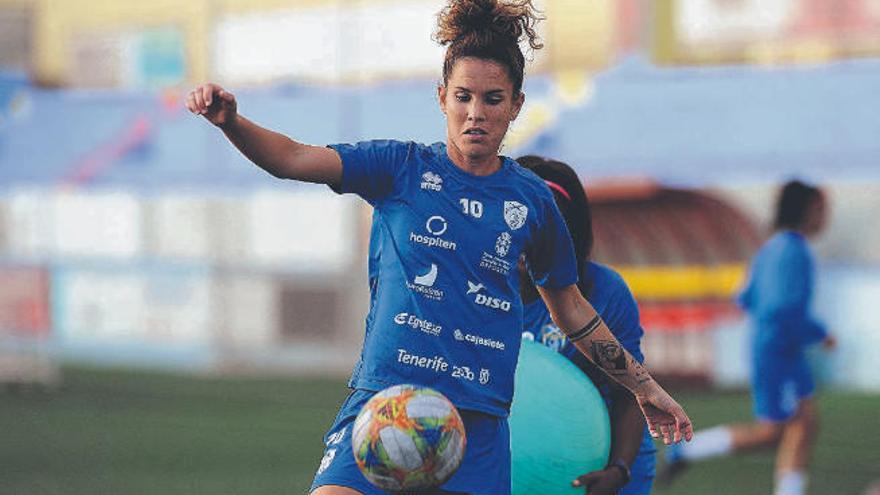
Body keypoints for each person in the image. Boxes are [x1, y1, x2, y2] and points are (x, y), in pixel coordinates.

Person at [186, 1, 692, 494]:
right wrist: (232, 121)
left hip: (477, 428)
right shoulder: (397, 168)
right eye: (463, 96)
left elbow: (572, 310)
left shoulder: (533, 202)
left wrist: (644, 387)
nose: (476, 113)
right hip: (385, 405)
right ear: (442, 97)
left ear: (516, 105)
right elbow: (294, 159)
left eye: (493, 99)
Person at [659, 180, 835, 495]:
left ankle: (688, 451)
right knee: (778, 431)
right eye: (822, 209)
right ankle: (687, 449)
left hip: (774, 348)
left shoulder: (771, 248)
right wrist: (820, 333)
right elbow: (782, 307)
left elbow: (745, 297)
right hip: (779, 350)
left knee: (800, 424)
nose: (826, 218)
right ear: (808, 210)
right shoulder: (794, 251)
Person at [517, 156, 656, 495]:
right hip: (516, 467)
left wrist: (618, 471)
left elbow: (631, 395)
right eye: (516, 220)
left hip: (604, 469)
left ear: (569, 236)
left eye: (544, 228)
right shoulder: (474, 291)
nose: (526, 238)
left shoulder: (604, 292)